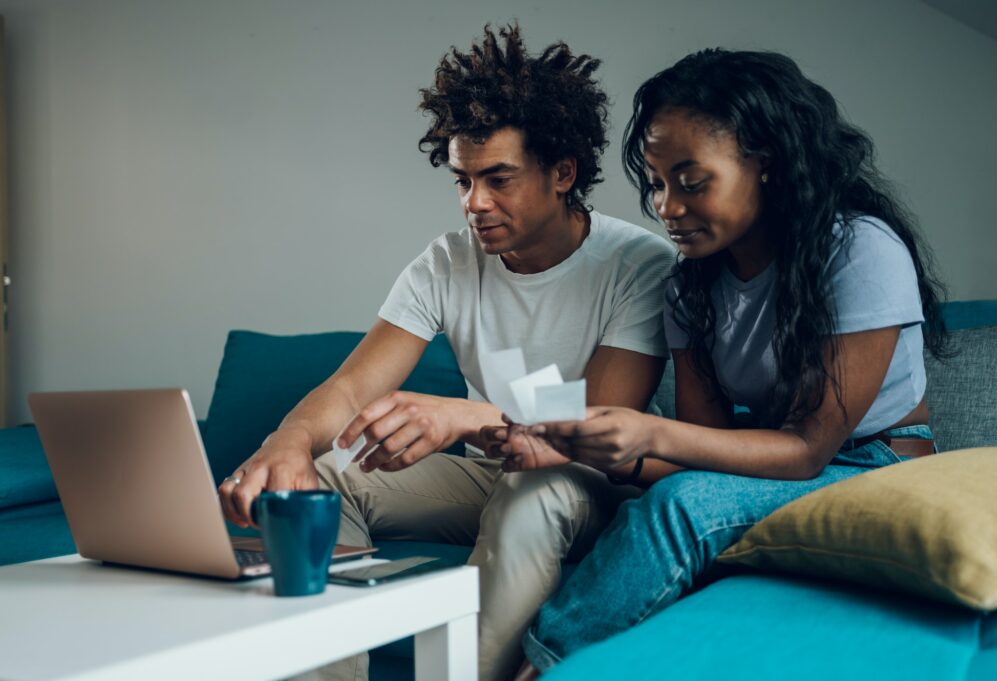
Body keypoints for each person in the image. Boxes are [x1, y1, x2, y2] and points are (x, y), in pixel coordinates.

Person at [217, 24, 677, 681]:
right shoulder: (447, 262)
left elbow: (594, 427)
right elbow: (351, 389)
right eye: (462, 181)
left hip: (590, 483)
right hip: (495, 472)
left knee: (532, 492)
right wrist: (289, 440)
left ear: (562, 173)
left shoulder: (637, 264)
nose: (474, 204)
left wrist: (466, 418)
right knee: (327, 476)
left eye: (498, 179)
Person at [496, 49, 949, 675]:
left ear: (765, 162)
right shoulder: (690, 288)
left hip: (880, 463)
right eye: (656, 183)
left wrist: (651, 433)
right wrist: (599, 452)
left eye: (691, 181)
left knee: (680, 509)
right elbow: (699, 446)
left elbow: (808, 450)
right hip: (769, 458)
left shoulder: (860, 250)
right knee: (651, 500)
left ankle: (538, 668)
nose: (666, 207)